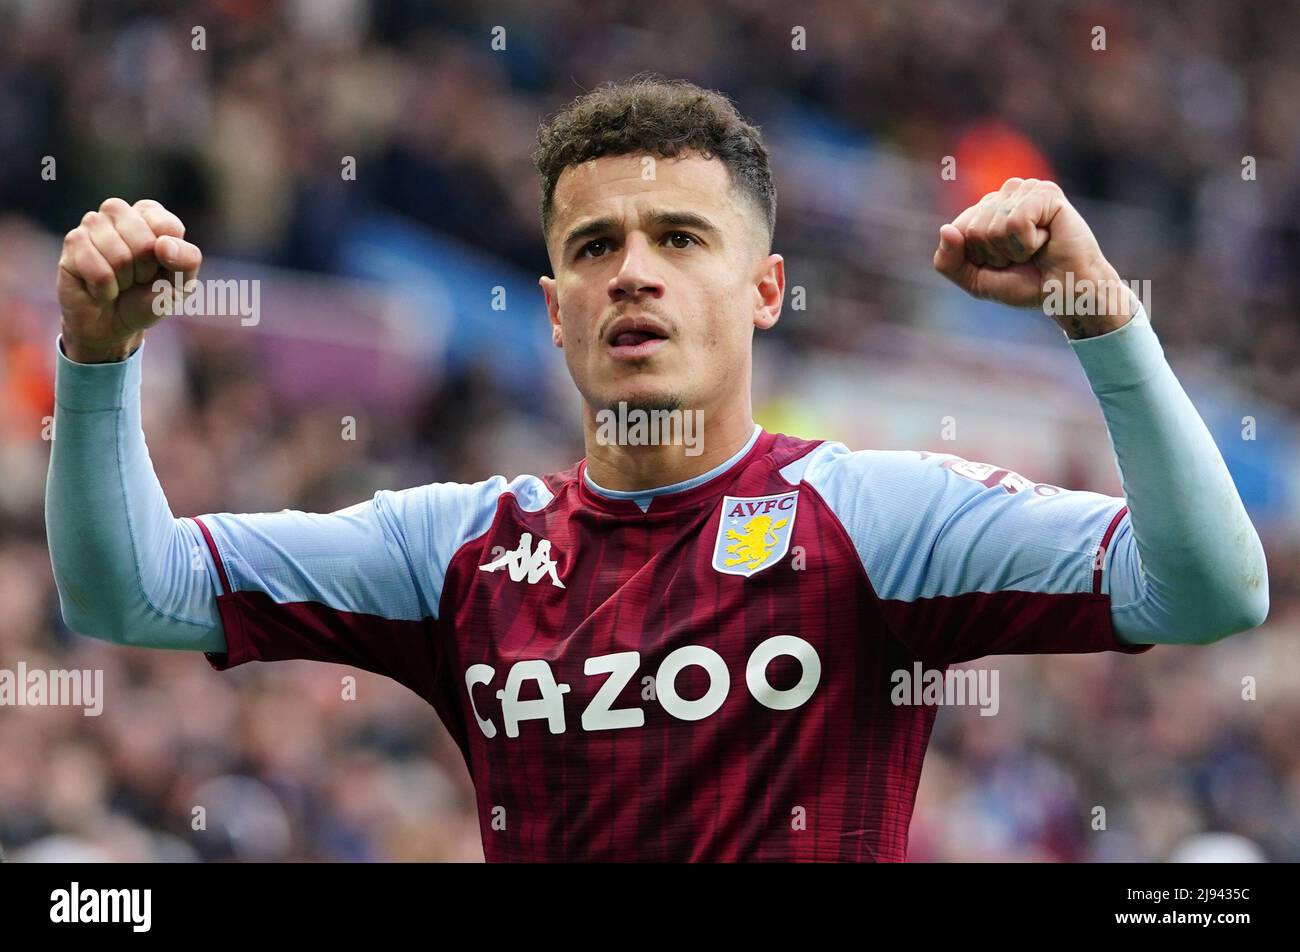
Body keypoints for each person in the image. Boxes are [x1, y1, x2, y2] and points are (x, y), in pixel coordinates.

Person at [45, 77, 1267, 862]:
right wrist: (100, 362)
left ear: (765, 292)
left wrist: (1100, 316)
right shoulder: (452, 552)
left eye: (680, 239)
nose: (633, 270)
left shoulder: (879, 518)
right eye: (595, 247)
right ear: (555, 309)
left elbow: (1211, 590)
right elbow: (130, 594)